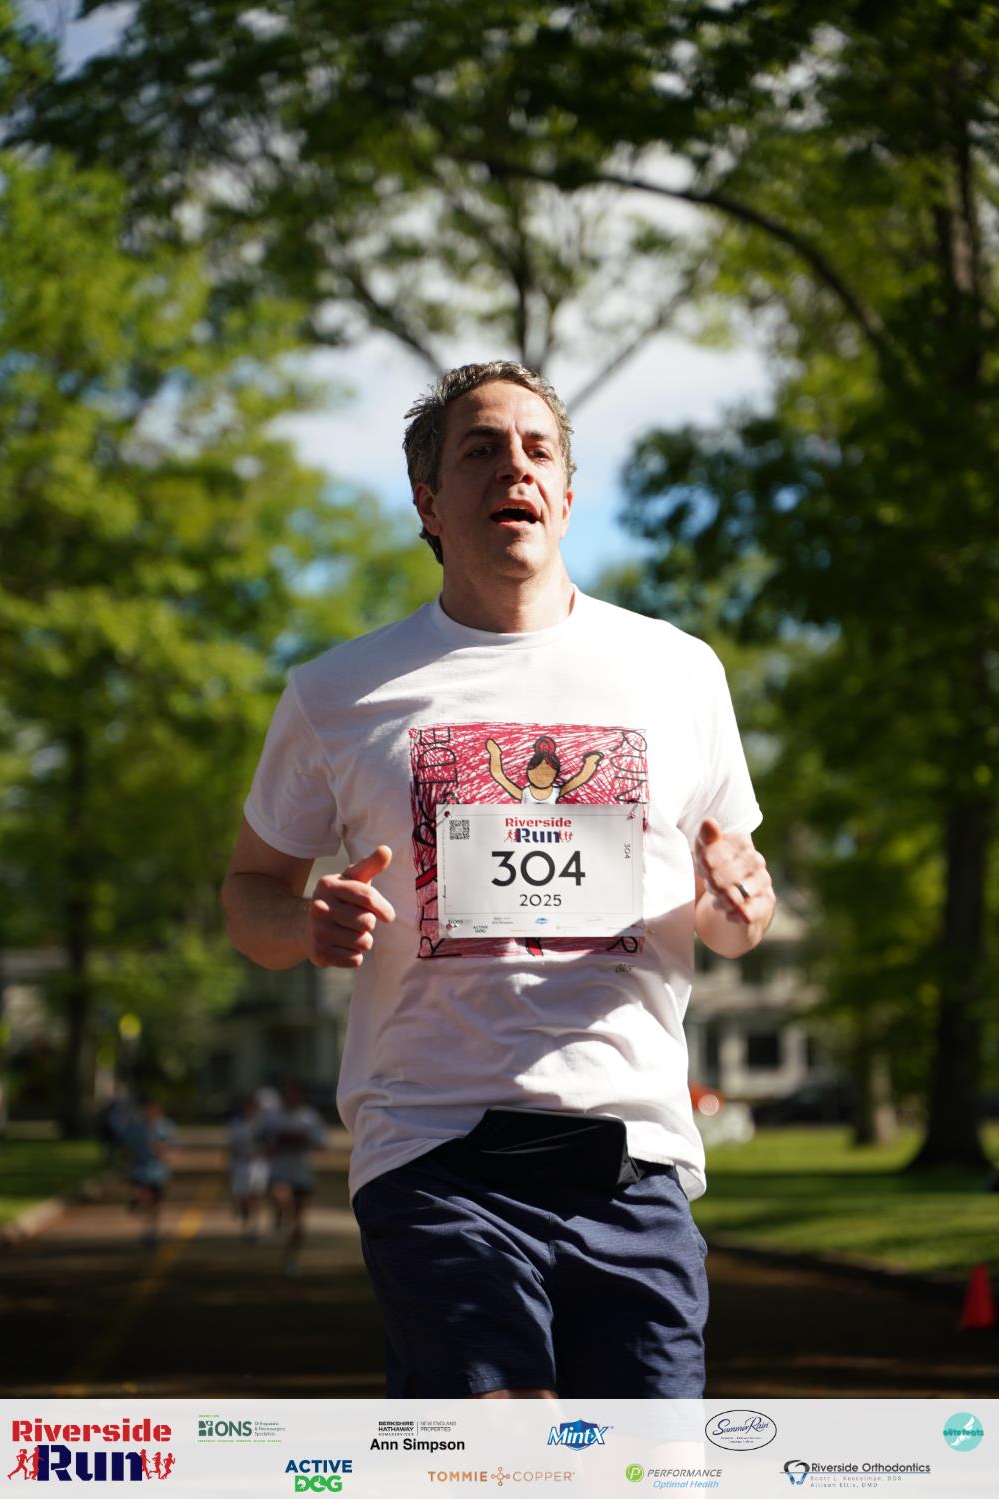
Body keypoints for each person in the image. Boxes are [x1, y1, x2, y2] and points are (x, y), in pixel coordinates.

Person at [222, 359, 776, 1397]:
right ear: (428, 502)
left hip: (634, 1147)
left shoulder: (678, 671)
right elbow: (249, 892)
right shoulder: (338, 692)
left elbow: (732, 911)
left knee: (647, 1459)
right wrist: (304, 925)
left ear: (566, 493)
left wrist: (738, 904)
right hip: (434, 1146)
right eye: (479, 449)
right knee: (501, 1444)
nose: (513, 466)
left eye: (537, 449)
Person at [256, 1081, 325, 1276]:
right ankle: (279, 1212)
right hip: (279, 1172)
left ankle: (291, 1257)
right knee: (283, 1197)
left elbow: (321, 1143)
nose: (291, 1098)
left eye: (295, 1094)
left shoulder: (309, 1117)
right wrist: (275, 1142)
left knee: (298, 1223)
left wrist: (303, 1140)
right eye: (288, 1094)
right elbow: (258, 1139)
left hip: (301, 1174)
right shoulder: (272, 1118)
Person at [124, 1097, 175, 1248]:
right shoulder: (136, 1126)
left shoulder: (165, 1127)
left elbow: (172, 1148)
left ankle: (151, 1231)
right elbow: (128, 1146)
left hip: (157, 1172)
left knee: (154, 1204)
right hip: (139, 1169)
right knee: (141, 1195)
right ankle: (137, 1204)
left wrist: (162, 1150)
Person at [227, 1094, 269, 1240]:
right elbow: (231, 1146)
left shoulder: (262, 1124)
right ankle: (245, 1218)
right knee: (242, 1195)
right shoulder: (236, 1124)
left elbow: (270, 1143)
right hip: (241, 1163)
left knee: (254, 1196)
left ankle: (253, 1226)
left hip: (258, 1164)